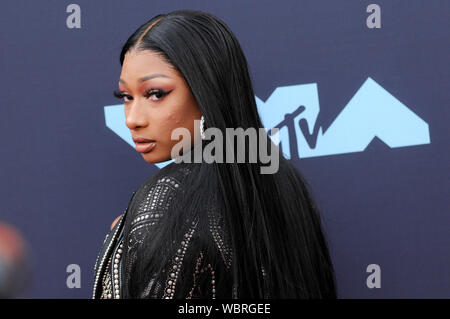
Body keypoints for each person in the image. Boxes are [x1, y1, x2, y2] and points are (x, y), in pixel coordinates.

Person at [92, 9, 337, 299]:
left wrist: (135, 239)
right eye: (126, 97)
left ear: (206, 88)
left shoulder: (165, 196)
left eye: (155, 94)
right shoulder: (284, 180)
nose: (132, 119)